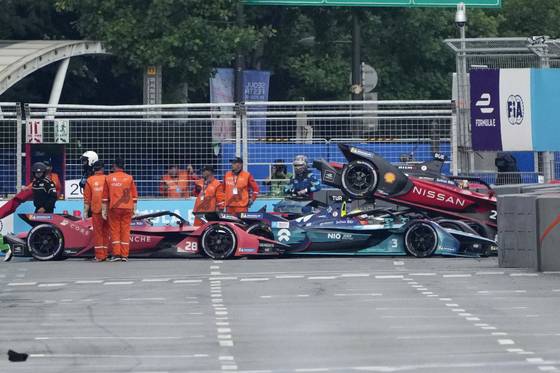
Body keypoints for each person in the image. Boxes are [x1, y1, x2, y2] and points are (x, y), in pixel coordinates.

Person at [102, 157, 138, 262]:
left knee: (115, 231)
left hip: (114, 208)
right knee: (125, 231)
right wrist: (134, 209)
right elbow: (134, 195)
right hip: (127, 208)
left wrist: (104, 210)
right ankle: (125, 255)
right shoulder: (129, 178)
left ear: (114, 166)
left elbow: (105, 197)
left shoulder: (108, 178)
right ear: (124, 166)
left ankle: (116, 254)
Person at [84, 160, 109, 262]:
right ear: (103, 169)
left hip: (96, 210)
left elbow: (87, 198)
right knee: (106, 233)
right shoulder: (108, 179)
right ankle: (106, 254)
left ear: (94, 169)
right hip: (107, 210)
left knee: (98, 233)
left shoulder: (89, 180)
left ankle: (99, 256)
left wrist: (85, 211)